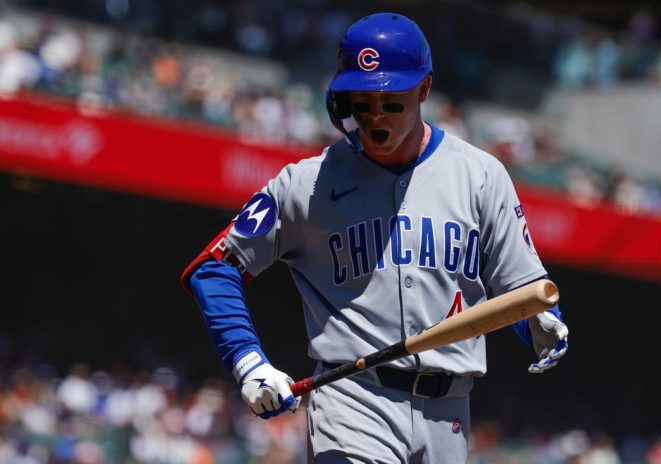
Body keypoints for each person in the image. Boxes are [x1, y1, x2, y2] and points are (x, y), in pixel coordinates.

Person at [181, 12, 569, 463]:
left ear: (424, 90)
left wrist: (539, 319)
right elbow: (214, 268)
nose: (375, 115)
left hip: (450, 413)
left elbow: (521, 287)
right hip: (353, 402)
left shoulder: (480, 175)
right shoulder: (308, 184)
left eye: (391, 101)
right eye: (362, 101)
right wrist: (249, 362)